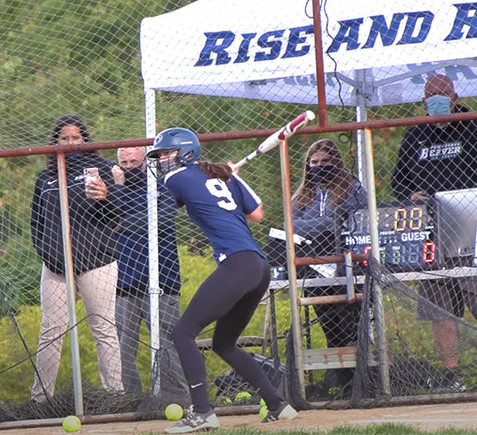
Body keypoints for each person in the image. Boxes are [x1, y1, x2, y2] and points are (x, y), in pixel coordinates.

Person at [147, 128, 297, 433]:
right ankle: (278, 404)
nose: (162, 161)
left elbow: (166, 208)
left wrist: (221, 178)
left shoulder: (175, 179)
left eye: (167, 154)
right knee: (224, 344)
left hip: (237, 265)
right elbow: (257, 213)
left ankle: (202, 412)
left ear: (186, 152)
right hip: (257, 266)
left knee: (182, 334)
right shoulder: (224, 177)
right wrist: (231, 177)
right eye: (160, 155)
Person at [391, 74, 477, 392]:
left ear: (455, 97)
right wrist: (411, 196)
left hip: (475, 232)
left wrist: (476, 199)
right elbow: (398, 182)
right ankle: (451, 375)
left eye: (442, 95)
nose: (436, 101)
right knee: (440, 311)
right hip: (433, 235)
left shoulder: (476, 128)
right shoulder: (415, 134)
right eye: (430, 96)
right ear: (423, 101)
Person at [29, 114, 123, 402]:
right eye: (64, 138)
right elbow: (36, 224)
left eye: (76, 137)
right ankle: (40, 399)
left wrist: (108, 194)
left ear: (85, 140)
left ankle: (115, 396)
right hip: (56, 268)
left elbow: (118, 217)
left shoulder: (105, 170)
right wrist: (51, 256)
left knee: (104, 329)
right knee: (50, 333)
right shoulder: (45, 178)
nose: (70, 142)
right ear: (55, 141)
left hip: (98, 263)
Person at [111, 146, 187, 397]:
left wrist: (124, 223)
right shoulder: (112, 187)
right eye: (124, 161)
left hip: (162, 276)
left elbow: (161, 218)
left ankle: (174, 396)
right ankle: (129, 399)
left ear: (145, 161)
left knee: (167, 341)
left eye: (134, 160)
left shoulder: (162, 184)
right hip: (123, 280)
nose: (129, 165)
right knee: (123, 346)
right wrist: (119, 189)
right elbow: (109, 220)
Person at [291, 139, 366, 393]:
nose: (319, 167)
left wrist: (321, 225)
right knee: (331, 329)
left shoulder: (351, 189)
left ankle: (359, 380)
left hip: (346, 271)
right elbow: (293, 226)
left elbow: (352, 221)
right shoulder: (302, 196)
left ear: (336, 163)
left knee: (351, 328)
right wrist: (323, 225)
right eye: (314, 163)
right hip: (313, 272)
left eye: (325, 162)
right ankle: (339, 381)